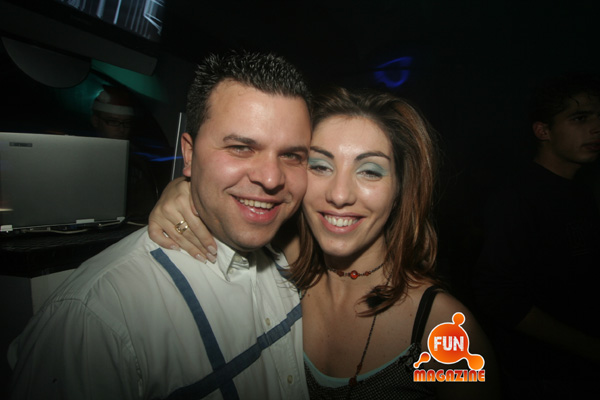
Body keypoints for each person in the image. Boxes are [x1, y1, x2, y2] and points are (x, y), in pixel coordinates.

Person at [149, 87, 500, 399]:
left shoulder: (446, 328)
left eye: (370, 171)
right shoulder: (281, 258)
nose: (339, 195)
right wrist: (183, 190)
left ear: (400, 189)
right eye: (320, 166)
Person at [8, 51, 312, 399]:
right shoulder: (98, 317)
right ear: (190, 153)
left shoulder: (293, 256)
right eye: (241, 147)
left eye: (292, 155)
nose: (271, 178)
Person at [472, 73, 600, 398]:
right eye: (580, 118)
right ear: (543, 131)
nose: (596, 128)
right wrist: (589, 347)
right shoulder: (515, 198)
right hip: (541, 375)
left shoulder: (582, 193)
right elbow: (496, 296)